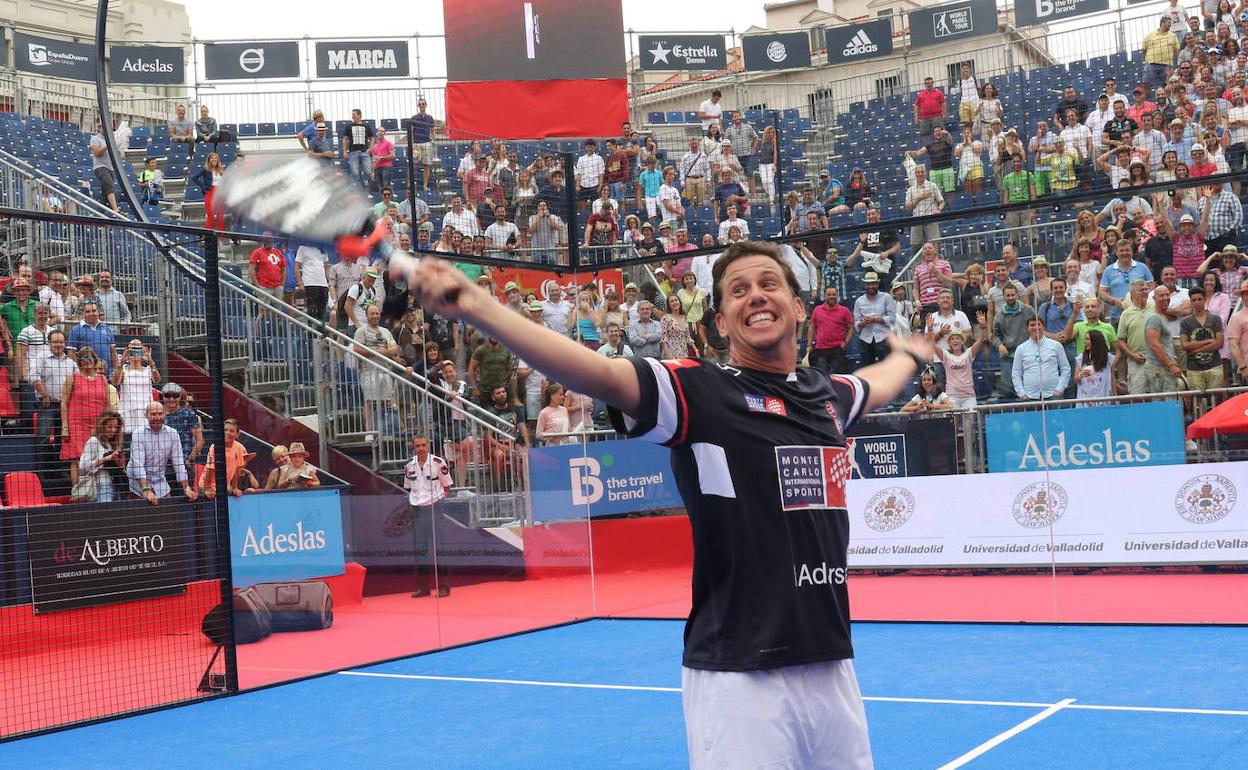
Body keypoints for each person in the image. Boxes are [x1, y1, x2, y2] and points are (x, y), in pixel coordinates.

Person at [405, 241, 935, 769]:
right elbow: (597, 372)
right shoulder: (699, 390)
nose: (755, 296)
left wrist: (906, 355)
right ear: (722, 323)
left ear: (799, 307)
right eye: (738, 291)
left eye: (769, 284)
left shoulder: (826, 396)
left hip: (831, 662)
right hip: (738, 676)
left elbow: (876, 384)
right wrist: (478, 305)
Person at [403, 435, 453, 598]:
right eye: (418, 446)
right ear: (414, 448)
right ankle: (423, 588)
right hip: (417, 509)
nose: (421, 448)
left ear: (428, 446)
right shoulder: (409, 465)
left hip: (434, 506)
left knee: (440, 548)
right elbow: (409, 488)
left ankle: (444, 587)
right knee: (420, 550)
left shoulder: (439, 463)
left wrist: (438, 502)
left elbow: (447, 486)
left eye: (424, 445)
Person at [127, 401, 197, 504]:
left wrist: (186, 488)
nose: (157, 417)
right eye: (153, 414)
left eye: (160, 414)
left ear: (164, 414)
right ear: (146, 415)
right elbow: (138, 465)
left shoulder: (173, 434)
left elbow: (179, 463)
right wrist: (146, 490)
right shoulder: (137, 434)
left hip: (160, 482)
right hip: (137, 485)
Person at [59, 348, 108, 485]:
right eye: (83, 358)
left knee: (97, 458)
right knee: (77, 460)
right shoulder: (72, 378)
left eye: (90, 358)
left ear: (94, 360)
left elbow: (107, 404)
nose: (87, 361)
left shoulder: (103, 379)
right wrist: (65, 427)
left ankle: (97, 491)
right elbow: (64, 403)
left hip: (98, 426)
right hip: (76, 425)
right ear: (79, 361)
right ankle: (79, 492)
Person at [992, 284, 1038, 400]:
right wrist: (1000, 345)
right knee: (1008, 390)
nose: (1011, 297)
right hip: (1008, 357)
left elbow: (1037, 328)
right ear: (1003, 296)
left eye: (1013, 295)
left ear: (1017, 295)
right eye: (1008, 295)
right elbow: (995, 336)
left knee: (1030, 388)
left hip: (1028, 355)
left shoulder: (1029, 310)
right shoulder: (999, 316)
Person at [1012, 317, 1072, 400]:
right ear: (1027, 328)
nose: (1035, 327)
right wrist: (1021, 393)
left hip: (1053, 395)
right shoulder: (1021, 349)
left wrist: (1060, 389)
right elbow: (1016, 373)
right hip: (1030, 396)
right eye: (1032, 325)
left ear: (1043, 327)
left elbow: (1065, 368)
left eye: (1038, 324)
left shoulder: (1056, 346)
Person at [1180, 286, 1226, 389]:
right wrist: (1209, 341)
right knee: (1198, 401)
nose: (1197, 302)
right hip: (1193, 368)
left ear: (1204, 300)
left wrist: (1193, 350)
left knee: (1217, 398)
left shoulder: (1215, 319)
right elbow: (1184, 345)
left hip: (1214, 365)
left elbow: (1219, 343)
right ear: (1190, 302)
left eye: (1199, 299)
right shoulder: (1185, 322)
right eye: (1194, 300)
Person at [1144, 284, 1185, 392]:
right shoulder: (1154, 318)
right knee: (1164, 403)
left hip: (1164, 368)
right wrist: (1170, 365)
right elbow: (1154, 345)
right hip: (1159, 369)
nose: (1166, 298)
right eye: (1161, 295)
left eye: (1167, 295)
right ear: (1154, 298)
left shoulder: (1162, 317)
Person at [113, 339, 160, 435]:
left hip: (146, 413)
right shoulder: (123, 370)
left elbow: (157, 380)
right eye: (132, 349)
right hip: (128, 413)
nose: (135, 352)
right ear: (127, 351)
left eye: (138, 349)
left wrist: (151, 362)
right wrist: (121, 362)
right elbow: (115, 381)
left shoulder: (148, 370)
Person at [77, 411, 125, 503]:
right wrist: (106, 459)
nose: (113, 430)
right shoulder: (93, 441)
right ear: (101, 426)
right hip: (102, 486)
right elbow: (83, 466)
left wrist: (119, 463)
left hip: (116, 485)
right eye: (109, 427)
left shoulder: (112, 444)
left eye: (116, 427)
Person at [933, 327, 986, 409]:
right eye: (952, 339)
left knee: (969, 422)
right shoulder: (946, 355)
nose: (955, 340)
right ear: (949, 342)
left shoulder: (968, 353)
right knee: (954, 421)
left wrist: (982, 327)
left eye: (958, 338)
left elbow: (980, 340)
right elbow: (932, 344)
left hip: (969, 396)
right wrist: (929, 329)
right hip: (952, 396)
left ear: (962, 341)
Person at [199, 418, 253, 498]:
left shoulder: (239, 448)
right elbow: (209, 469)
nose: (227, 433)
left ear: (237, 434)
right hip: (206, 487)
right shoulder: (214, 447)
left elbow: (237, 469)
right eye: (225, 430)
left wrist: (235, 487)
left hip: (224, 489)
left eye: (231, 431)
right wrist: (207, 489)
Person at [852, 273, 895, 368]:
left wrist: (875, 320)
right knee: (867, 369)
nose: (870, 286)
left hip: (883, 337)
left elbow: (892, 319)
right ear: (865, 285)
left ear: (877, 284)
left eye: (873, 284)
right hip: (865, 339)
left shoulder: (886, 297)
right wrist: (863, 323)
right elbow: (856, 324)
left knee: (886, 368)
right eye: (868, 284)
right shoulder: (859, 301)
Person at [1074, 329, 1118, 400]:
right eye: (1084, 339)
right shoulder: (1080, 358)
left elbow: (1112, 379)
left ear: (1096, 341)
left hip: (1104, 398)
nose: (1085, 342)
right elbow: (1076, 379)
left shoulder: (1109, 358)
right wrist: (1081, 375)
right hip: (1085, 399)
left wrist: (1116, 398)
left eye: (1087, 339)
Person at [89, 119, 119, 212]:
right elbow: (96, 153)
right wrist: (107, 146)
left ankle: (100, 212)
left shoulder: (110, 139)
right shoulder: (95, 139)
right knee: (109, 185)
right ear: (100, 128)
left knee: (105, 191)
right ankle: (115, 209)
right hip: (101, 166)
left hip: (110, 167)